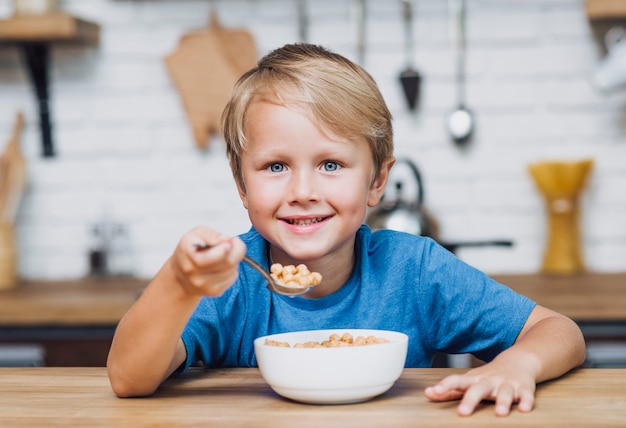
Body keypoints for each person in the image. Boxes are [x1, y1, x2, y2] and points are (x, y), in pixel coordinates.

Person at [107, 43, 586, 417]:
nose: (302, 190)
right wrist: (178, 282)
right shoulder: (232, 280)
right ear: (241, 184)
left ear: (376, 181)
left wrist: (517, 363)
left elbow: (559, 331)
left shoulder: (413, 269)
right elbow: (129, 379)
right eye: (275, 166)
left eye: (330, 164)